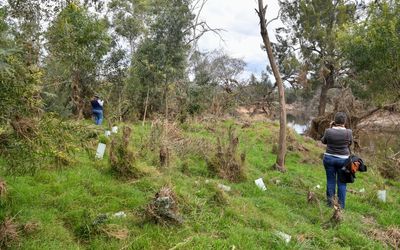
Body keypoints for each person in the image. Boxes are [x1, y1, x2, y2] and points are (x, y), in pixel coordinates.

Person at [321, 112, 353, 209]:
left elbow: (323, 141)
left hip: (329, 158)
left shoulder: (328, 131)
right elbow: (350, 143)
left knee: (330, 181)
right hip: (343, 160)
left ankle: (330, 204)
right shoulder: (349, 132)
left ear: (334, 121)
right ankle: (341, 206)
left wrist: (330, 128)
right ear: (344, 122)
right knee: (342, 183)